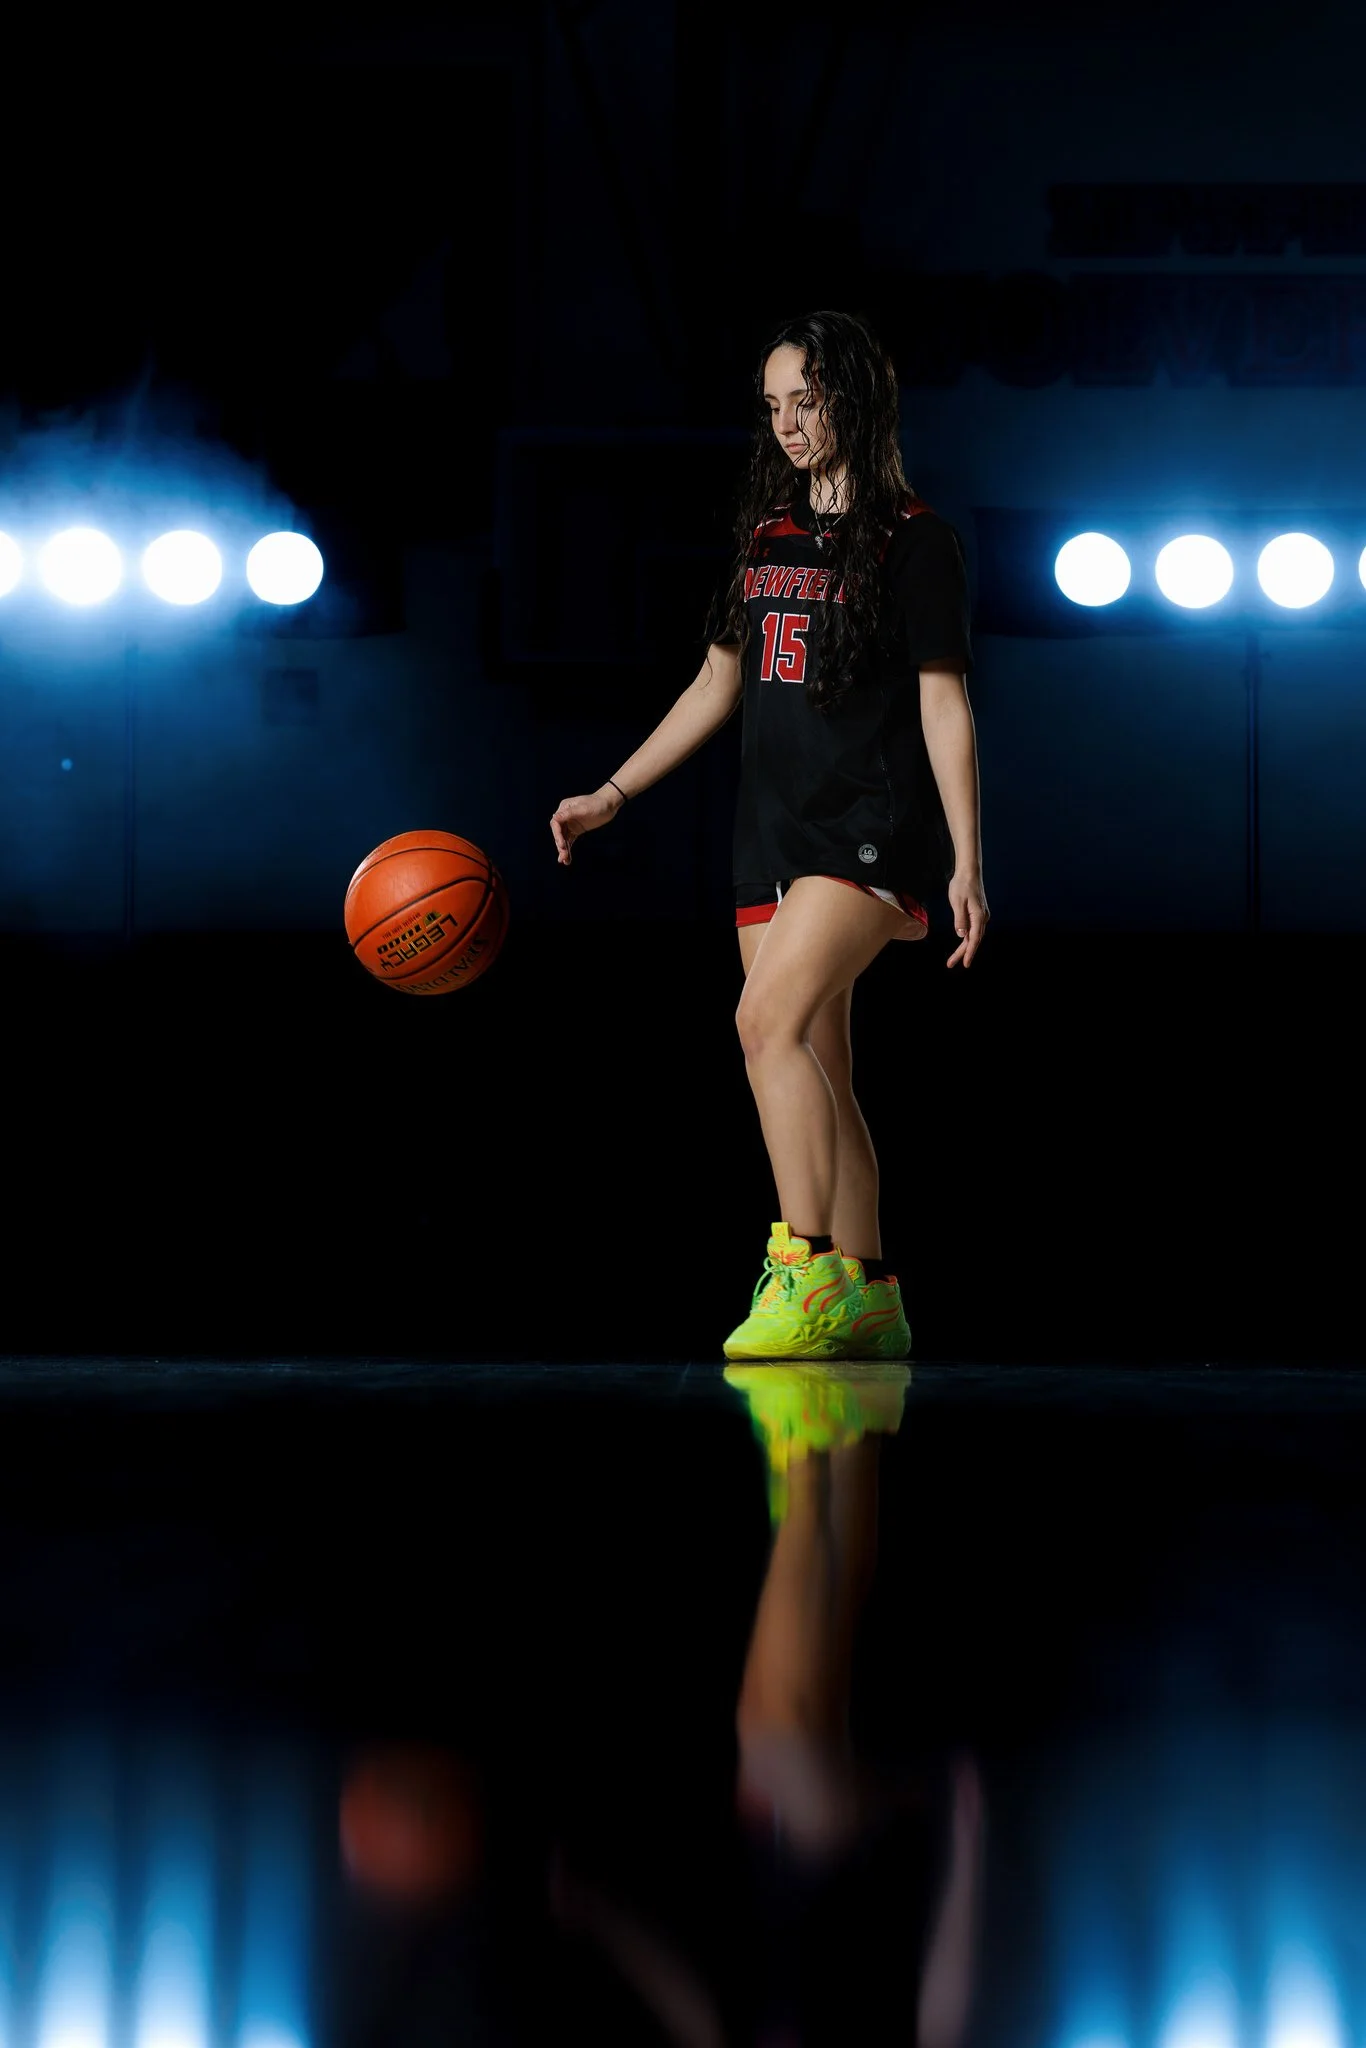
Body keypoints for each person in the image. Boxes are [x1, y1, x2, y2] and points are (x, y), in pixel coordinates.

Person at [550, 310, 988, 1361]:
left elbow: (944, 705)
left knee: (761, 1026)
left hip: (870, 830)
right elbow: (716, 683)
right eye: (774, 406)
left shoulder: (916, 539)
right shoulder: (764, 535)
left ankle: (806, 1267)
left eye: (808, 400)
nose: (789, 424)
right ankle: (873, 1287)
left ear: (856, 399)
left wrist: (969, 859)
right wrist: (615, 792)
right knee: (818, 1062)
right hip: (772, 834)